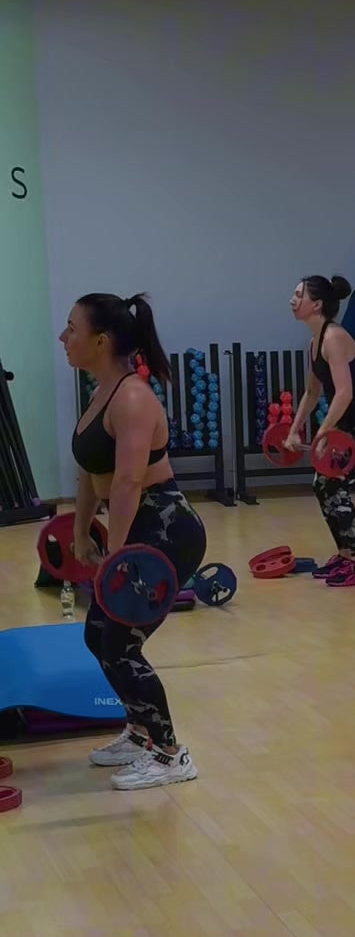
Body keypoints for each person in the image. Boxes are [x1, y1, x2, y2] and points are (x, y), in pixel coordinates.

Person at [61, 293, 206, 790]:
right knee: (96, 635)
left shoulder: (132, 398)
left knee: (121, 643)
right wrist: (80, 531)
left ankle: (170, 754)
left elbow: (127, 482)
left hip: (165, 529)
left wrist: (116, 557)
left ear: (101, 341)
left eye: (72, 328)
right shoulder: (100, 393)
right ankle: (141, 732)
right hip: (135, 526)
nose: (63, 337)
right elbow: (90, 471)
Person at [286, 275, 355, 586]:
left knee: (333, 484)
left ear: (316, 304)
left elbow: (344, 393)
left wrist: (322, 433)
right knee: (323, 484)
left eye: (299, 295)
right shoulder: (315, 342)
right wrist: (294, 431)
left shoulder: (333, 337)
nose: (292, 300)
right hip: (351, 421)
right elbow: (312, 393)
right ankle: (346, 555)